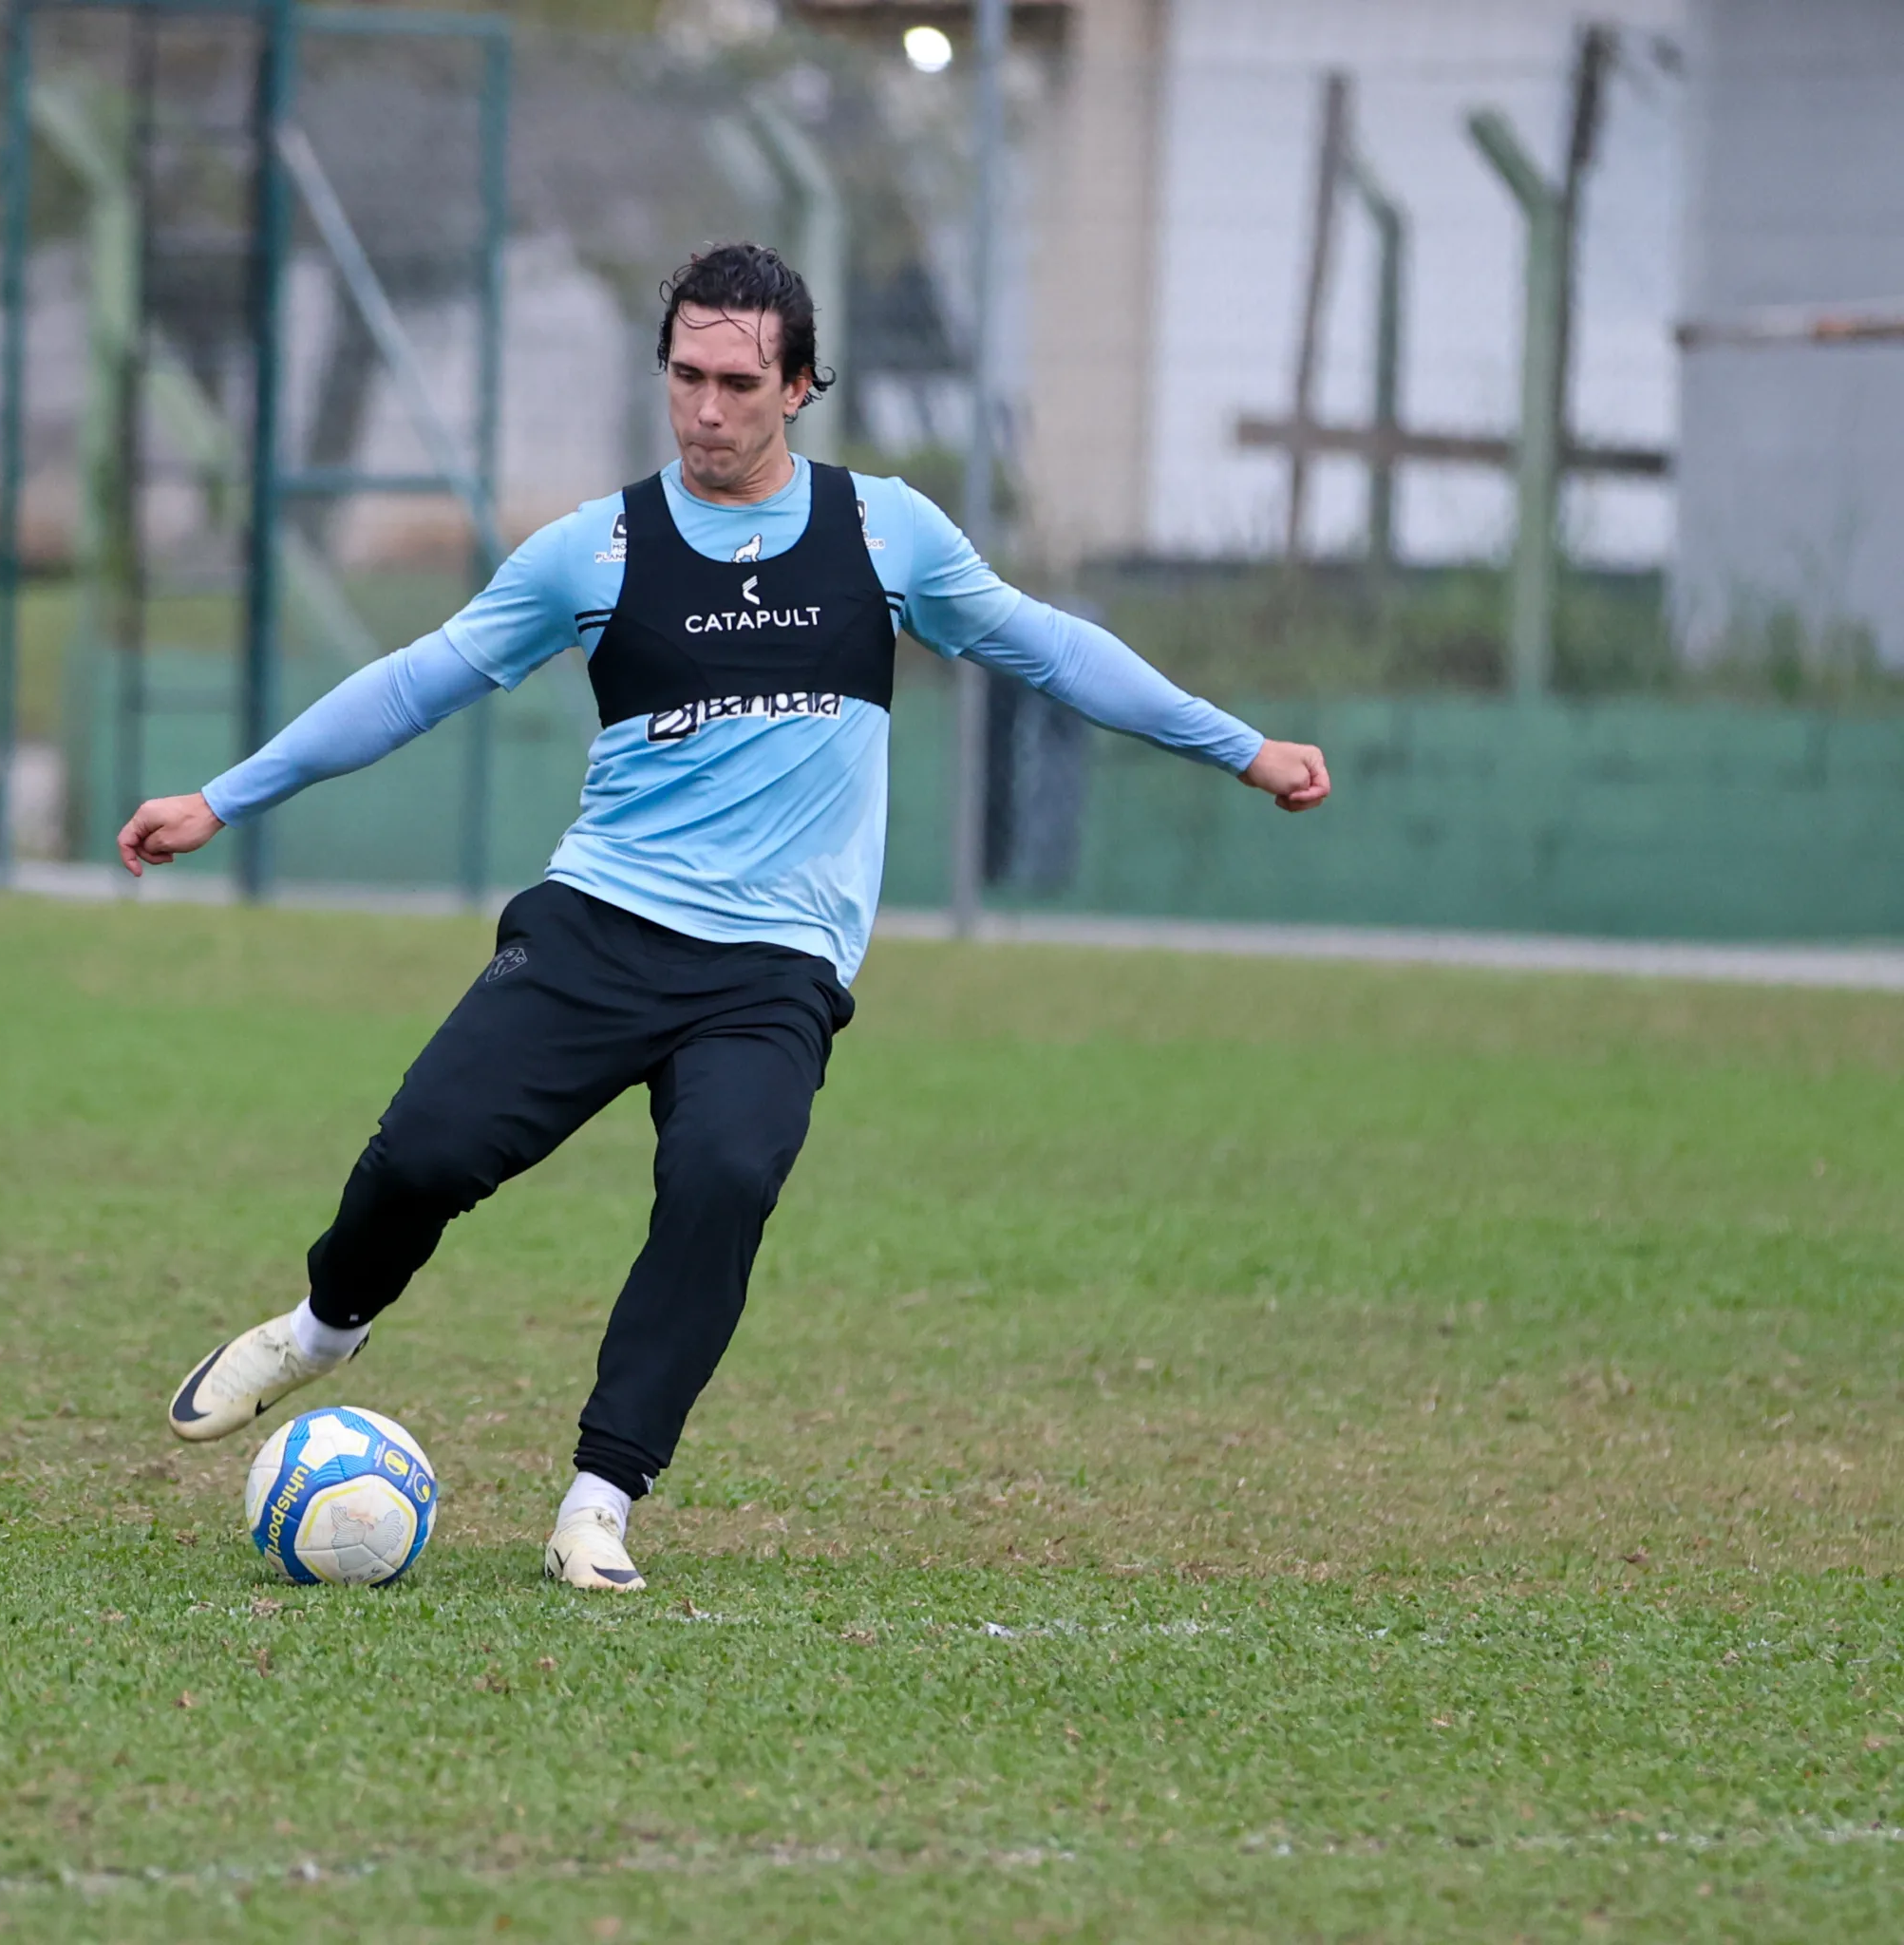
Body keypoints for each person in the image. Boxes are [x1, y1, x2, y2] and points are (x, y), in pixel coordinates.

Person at [121, 242, 1330, 1592]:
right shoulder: (599, 547)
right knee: (428, 1153)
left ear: (800, 385)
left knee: (724, 1182)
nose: (707, 411)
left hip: (775, 964)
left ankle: (599, 1499)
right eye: (686, 378)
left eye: (740, 383)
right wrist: (224, 798)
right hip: (601, 926)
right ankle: (322, 1329)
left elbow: (1050, 646)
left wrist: (1241, 748)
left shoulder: (884, 533)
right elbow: (416, 683)